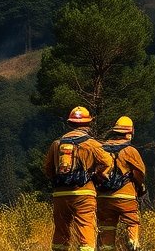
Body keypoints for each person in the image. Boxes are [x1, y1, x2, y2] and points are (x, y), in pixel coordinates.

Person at [44, 107, 114, 251]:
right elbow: (108, 162)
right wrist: (97, 175)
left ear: (70, 123)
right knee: (86, 226)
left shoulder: (57, 144)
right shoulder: (91, 144)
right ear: (88, 124)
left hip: (60, 194)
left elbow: (48, 169)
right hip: (84, 193)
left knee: (61, 230)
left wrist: (60, 181)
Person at [97, 116, 147, 251]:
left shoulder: (101, 148)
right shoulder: (130, 150)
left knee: (107, 228)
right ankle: (132, 244)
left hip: (103, 197)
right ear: (129, 133)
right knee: (132, 222)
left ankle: (106, 247)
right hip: (126, 196)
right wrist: (140, 186)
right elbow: (140, 173)